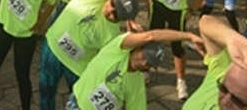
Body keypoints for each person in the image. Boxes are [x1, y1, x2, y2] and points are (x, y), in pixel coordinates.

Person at [40, 0, 158, 109]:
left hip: (76, 67)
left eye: (116, 14)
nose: (110, 10)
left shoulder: (113, 36)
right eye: (113, 4)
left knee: (78, 100)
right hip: (53, 48)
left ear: (121, 20)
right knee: (46, 94)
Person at [66, 29, 205, 110]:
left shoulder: (137, 84)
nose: (144, 62)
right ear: (138, 47)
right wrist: (188, 36)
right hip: (76, 105)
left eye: (149, 64)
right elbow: (151, 35)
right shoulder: (116, 50)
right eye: (145, 55)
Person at [183, 15, 247, 109]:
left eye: (237, 100)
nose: (224, 101)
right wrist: (232, 39)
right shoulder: (221, 73)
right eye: (223, 88)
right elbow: (205, 21)